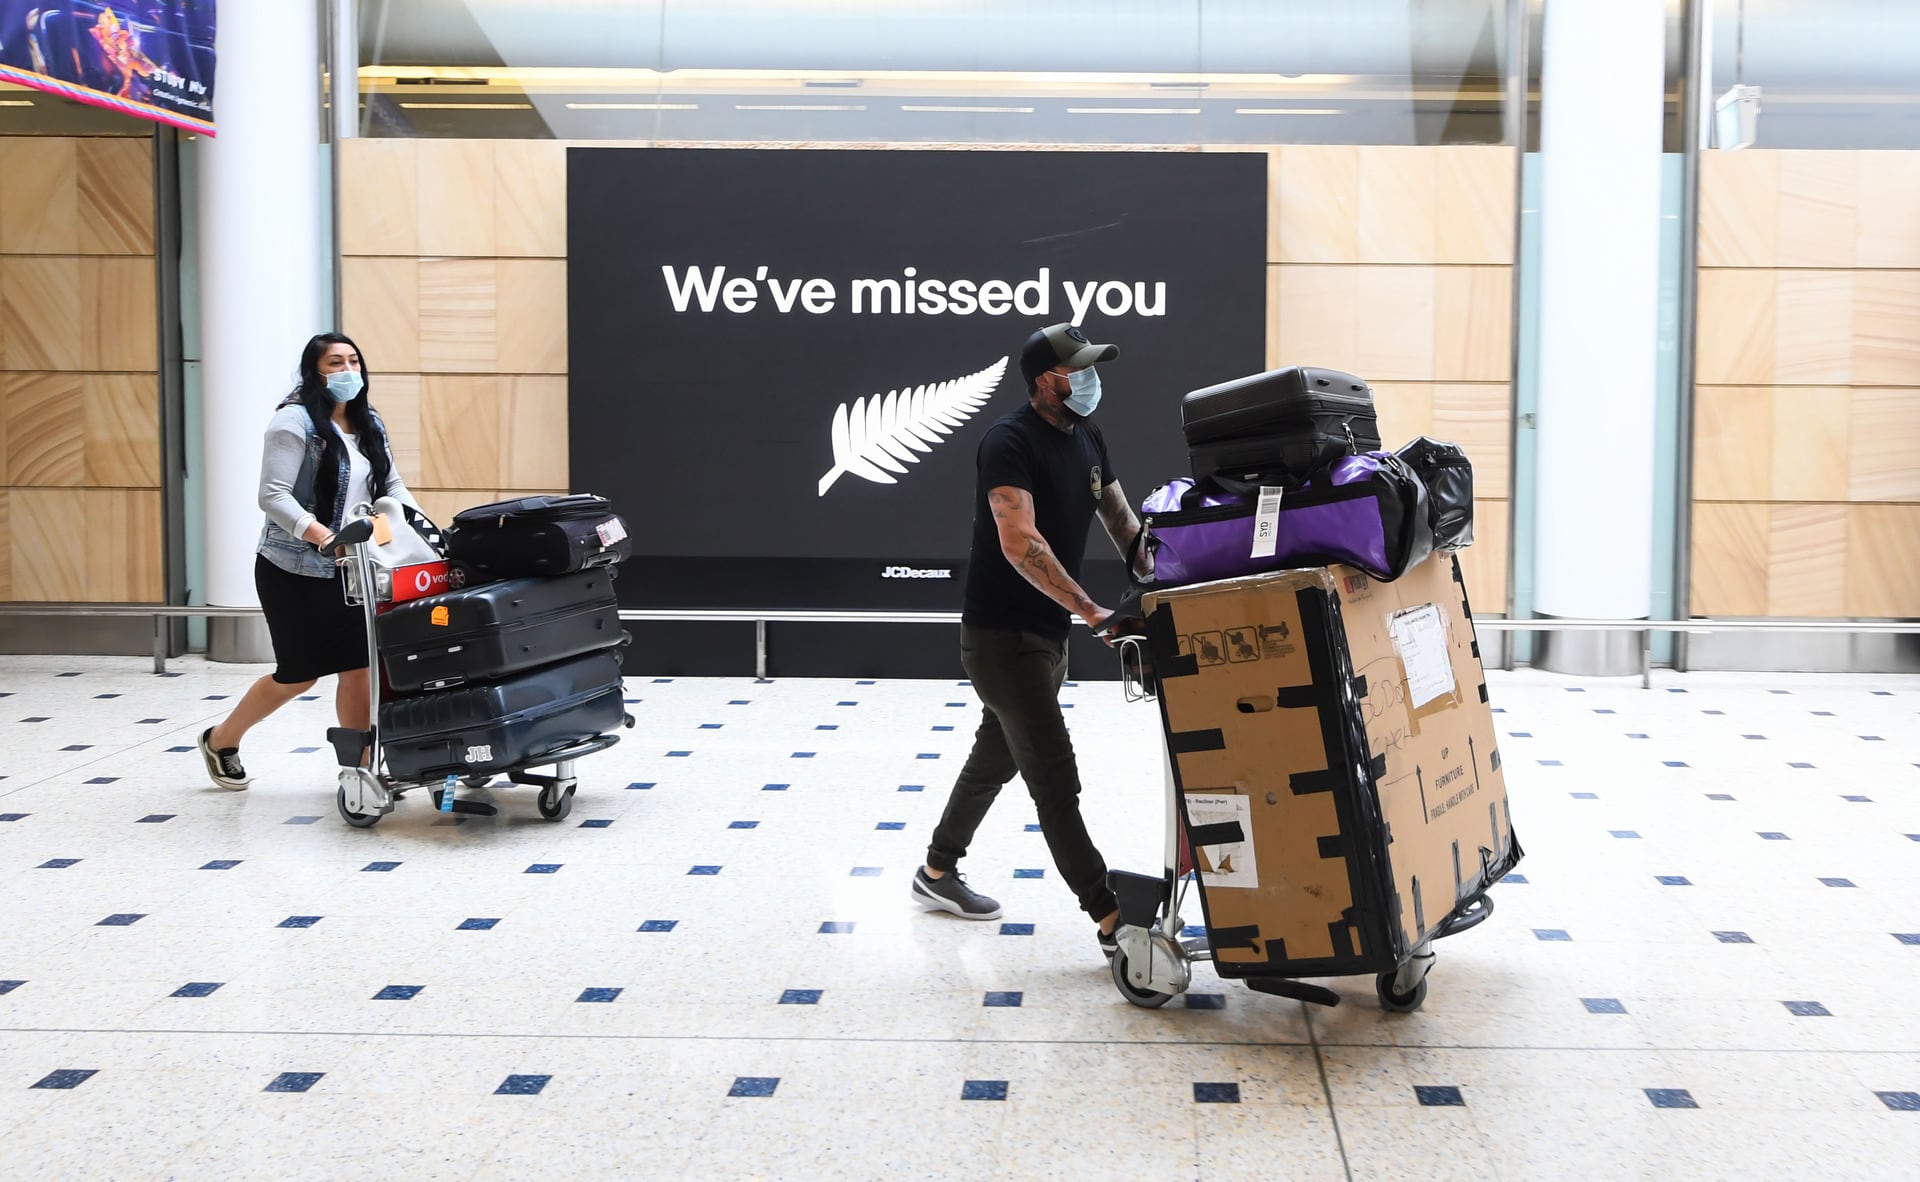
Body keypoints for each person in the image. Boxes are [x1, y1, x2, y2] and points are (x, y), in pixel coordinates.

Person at [911, 322, 1153, 960]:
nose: (1093, 379)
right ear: (1047, 379)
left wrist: (1164, 574)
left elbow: (1122, 521)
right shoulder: (1008, 441)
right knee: (1053, 775)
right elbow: (1019, 542)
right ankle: (1111, 919)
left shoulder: (1088, 436)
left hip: (1043, 636)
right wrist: (1093, 611)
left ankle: (935, 872)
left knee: (996, 756)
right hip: (1001, 638)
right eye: (1082, 369)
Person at [197, 332, 417, 790]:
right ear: (314, 371)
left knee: (358, 668)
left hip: (354, 570)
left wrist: (413, 526)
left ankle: (357, 773)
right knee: (298, 676)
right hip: (293, 569)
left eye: (353, 360)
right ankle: (221, 739)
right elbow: (272, 495)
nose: (347, 370)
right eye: (335, 363)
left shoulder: (368, 422)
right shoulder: (293, 422)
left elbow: (391, 487)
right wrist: (324, 537)